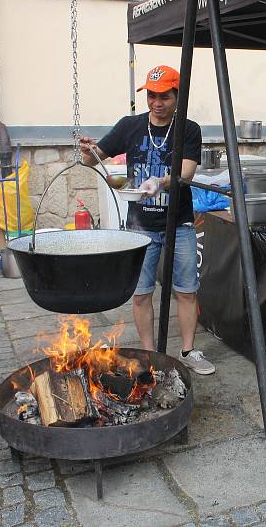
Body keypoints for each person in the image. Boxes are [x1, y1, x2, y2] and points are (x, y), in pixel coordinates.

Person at [79, 65, 215, 375]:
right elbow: (92, 160)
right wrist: (88, 151)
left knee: (186, 290)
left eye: (164, 97)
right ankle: (150, 355)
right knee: (141, 293)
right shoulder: (129, 126)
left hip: (179, 223)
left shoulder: (188, 129)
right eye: (151, 96)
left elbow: (187, 172)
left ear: (177, 96)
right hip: (139, 227)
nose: (156, 102)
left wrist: (161, 182)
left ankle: (189, 350)